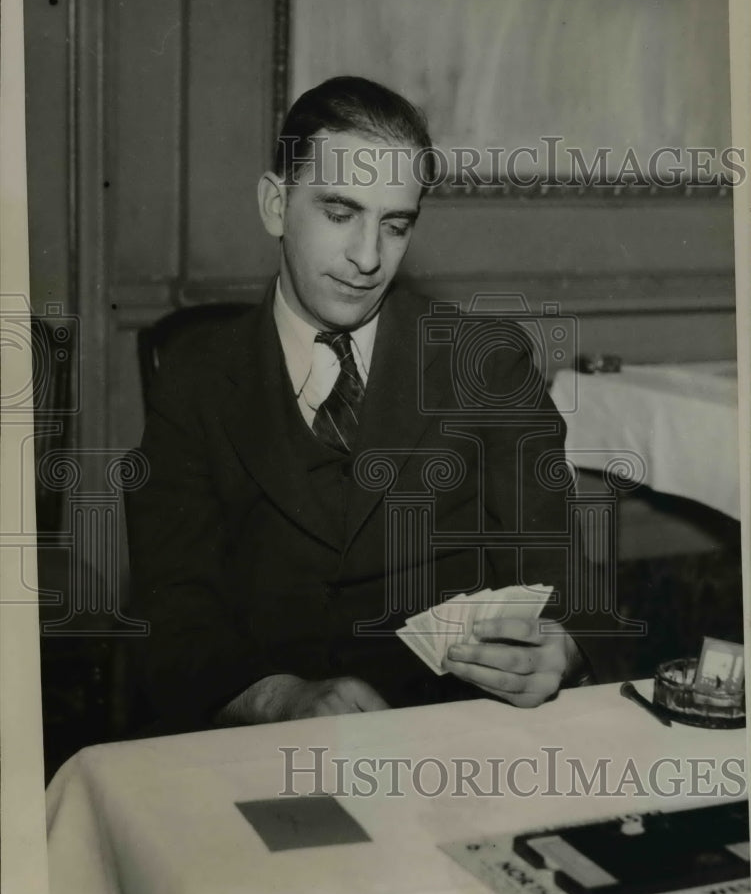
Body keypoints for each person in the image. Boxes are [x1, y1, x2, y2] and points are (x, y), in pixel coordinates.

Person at [125, 76, 604, 736]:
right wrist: (275, 698)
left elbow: (562, 576)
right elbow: (173, 604)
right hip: (257, 741)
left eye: (394, 225)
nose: (367, 258)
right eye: (339, 212)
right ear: (274, 205)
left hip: (449, 738)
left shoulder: (486, 360)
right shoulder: (196, 376)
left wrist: (562, 645)